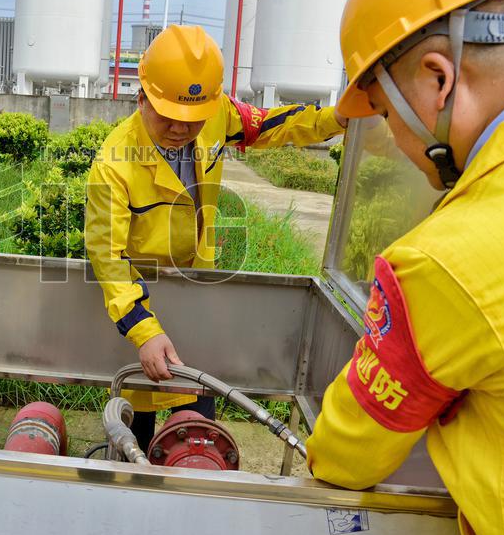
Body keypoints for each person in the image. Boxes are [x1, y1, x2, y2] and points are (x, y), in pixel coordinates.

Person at [305, 0, 504, 535]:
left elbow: (346, 455)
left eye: (384, 114)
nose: (397, 144)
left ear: (438, 80)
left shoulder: (450, 260)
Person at [85, 24, 347, 452]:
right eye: (167, 116)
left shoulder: (217, 116)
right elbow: (108, 257)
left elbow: (268, 126)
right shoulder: (113, 165)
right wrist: (143, 330)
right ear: (142, 98)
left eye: (191, 120)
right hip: (143, 300)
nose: (180, 129)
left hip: (200, 294)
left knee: (199, 418)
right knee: (138, 427)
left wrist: (334, 119)